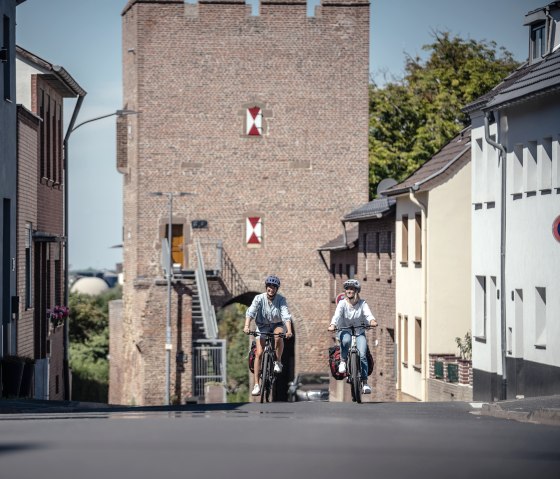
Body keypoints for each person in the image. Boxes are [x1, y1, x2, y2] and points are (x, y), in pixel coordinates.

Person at [244, 274, 293, 396]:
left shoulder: (281, 300)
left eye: (274, 287)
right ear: (266, 287)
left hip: (276, 325)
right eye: (269, 287)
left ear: (277, 289)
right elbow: (251, 312)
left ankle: (277, 361)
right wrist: (246, 326)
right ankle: (256, 385)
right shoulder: (259, 299)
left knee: (278, 335)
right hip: (262, 326)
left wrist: (289, 330)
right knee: (259, 353)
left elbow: (286, 315)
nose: (271, 289)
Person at [328, 279, 377, 394]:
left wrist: (372, 320)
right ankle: (343, 361)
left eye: (352, 289)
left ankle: (365, 383)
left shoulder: (362, 304)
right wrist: (332, 324)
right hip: (345, 330)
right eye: (347, 289)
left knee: (363, 354)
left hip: (359, 331)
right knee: (345, 341)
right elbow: (337, 315)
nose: (349, 291)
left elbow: (368, 314)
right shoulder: (342, 304)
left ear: (356, 291)